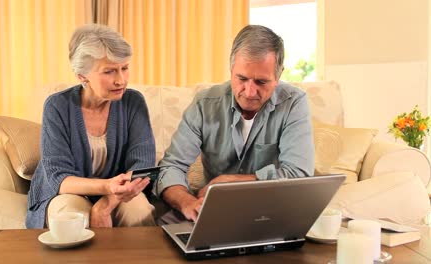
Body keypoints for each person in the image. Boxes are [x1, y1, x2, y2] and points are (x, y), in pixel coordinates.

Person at [154, 25, 315, 223]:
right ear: (231, 70)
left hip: (271, 211)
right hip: (215, 211)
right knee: (165, 227)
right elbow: (171, 167)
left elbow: (298, 174)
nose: (249, 92)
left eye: (261, 82)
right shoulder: (204, 104)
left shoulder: (294, 103)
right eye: (242, 78)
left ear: (279, 76)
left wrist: (229, 182)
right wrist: (188, 203)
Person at [26, 24, 156, 229]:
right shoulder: (57, 106)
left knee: (137, 209)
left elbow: (141, 165)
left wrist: (105, 205)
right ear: (82, 76)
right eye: (109, 71)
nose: (120, 80)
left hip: (117, 193)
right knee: (70, 215)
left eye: (125, 68)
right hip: (69, 192)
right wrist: (107, 186)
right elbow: (59, 178)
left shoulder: (133, 101)